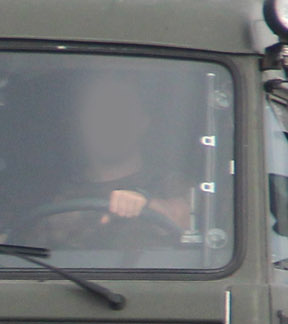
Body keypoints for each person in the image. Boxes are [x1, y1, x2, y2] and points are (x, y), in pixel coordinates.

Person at [24, 70, 191, 246]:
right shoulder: (54, 192)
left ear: (142, 122)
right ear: (81, 124)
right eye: (99, 114)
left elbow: (186, 222)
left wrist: (147, 204)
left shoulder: (169, 184)